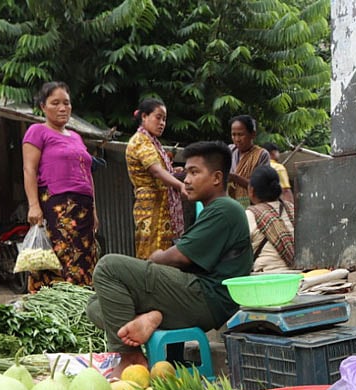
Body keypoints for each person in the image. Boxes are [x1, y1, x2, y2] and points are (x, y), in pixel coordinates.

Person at [86, 141, 252, 376]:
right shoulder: (213, 210)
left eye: (194, 172)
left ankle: (132, 358)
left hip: (207, 298)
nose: (187, 180)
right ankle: (150, 317)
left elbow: (179, 257)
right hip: (194, 294)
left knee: (108, 267)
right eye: (187, 173)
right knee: (95, 304)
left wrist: (157, 257)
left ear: (216, 178)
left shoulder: (225, 209)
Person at [22, 81, 99, 291]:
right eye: (55, 103)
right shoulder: (37, 131)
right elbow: (29, 169)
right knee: (62, 258)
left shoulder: (76, 137)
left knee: (85, 258)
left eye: (66, 103)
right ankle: (55, 303)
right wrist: (33, 205)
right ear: (43, 107)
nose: (62, 108)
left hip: (84, 207)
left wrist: (94, 210)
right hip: (58, 205)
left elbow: (87, 174)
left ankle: (82, 302)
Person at [126, 98, 186, 259]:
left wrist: (173, 171)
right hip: (150, 205)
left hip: (161, 206)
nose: (162, 123)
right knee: (150, 253)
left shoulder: (152, 142)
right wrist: (181, 186)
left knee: (162, 254)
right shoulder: (141, 141)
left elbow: (161, 171)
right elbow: (157, 171)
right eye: (158, 117)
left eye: (164, 119)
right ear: (144, 116)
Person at [245, 165, 296, 272]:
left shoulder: (250, 215)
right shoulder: (292, 209)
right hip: (298, 274)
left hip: (265, 277)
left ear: (251, 190)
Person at [227, 115, 270, 205]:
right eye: (233, 135)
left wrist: (235, 178)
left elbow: (261, 186)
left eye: (240, 134)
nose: (237, 139)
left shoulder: (261, 155)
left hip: (253, 206)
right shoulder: (229, 151)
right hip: (230, 204)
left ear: (252, 134)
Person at [261, 142, 295, 208]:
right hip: (277, 206)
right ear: (273, 152)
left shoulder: (258, 167)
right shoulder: (278, 168)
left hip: (262, 206)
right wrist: (291, 207)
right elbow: (285, 190)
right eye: (278, 152)